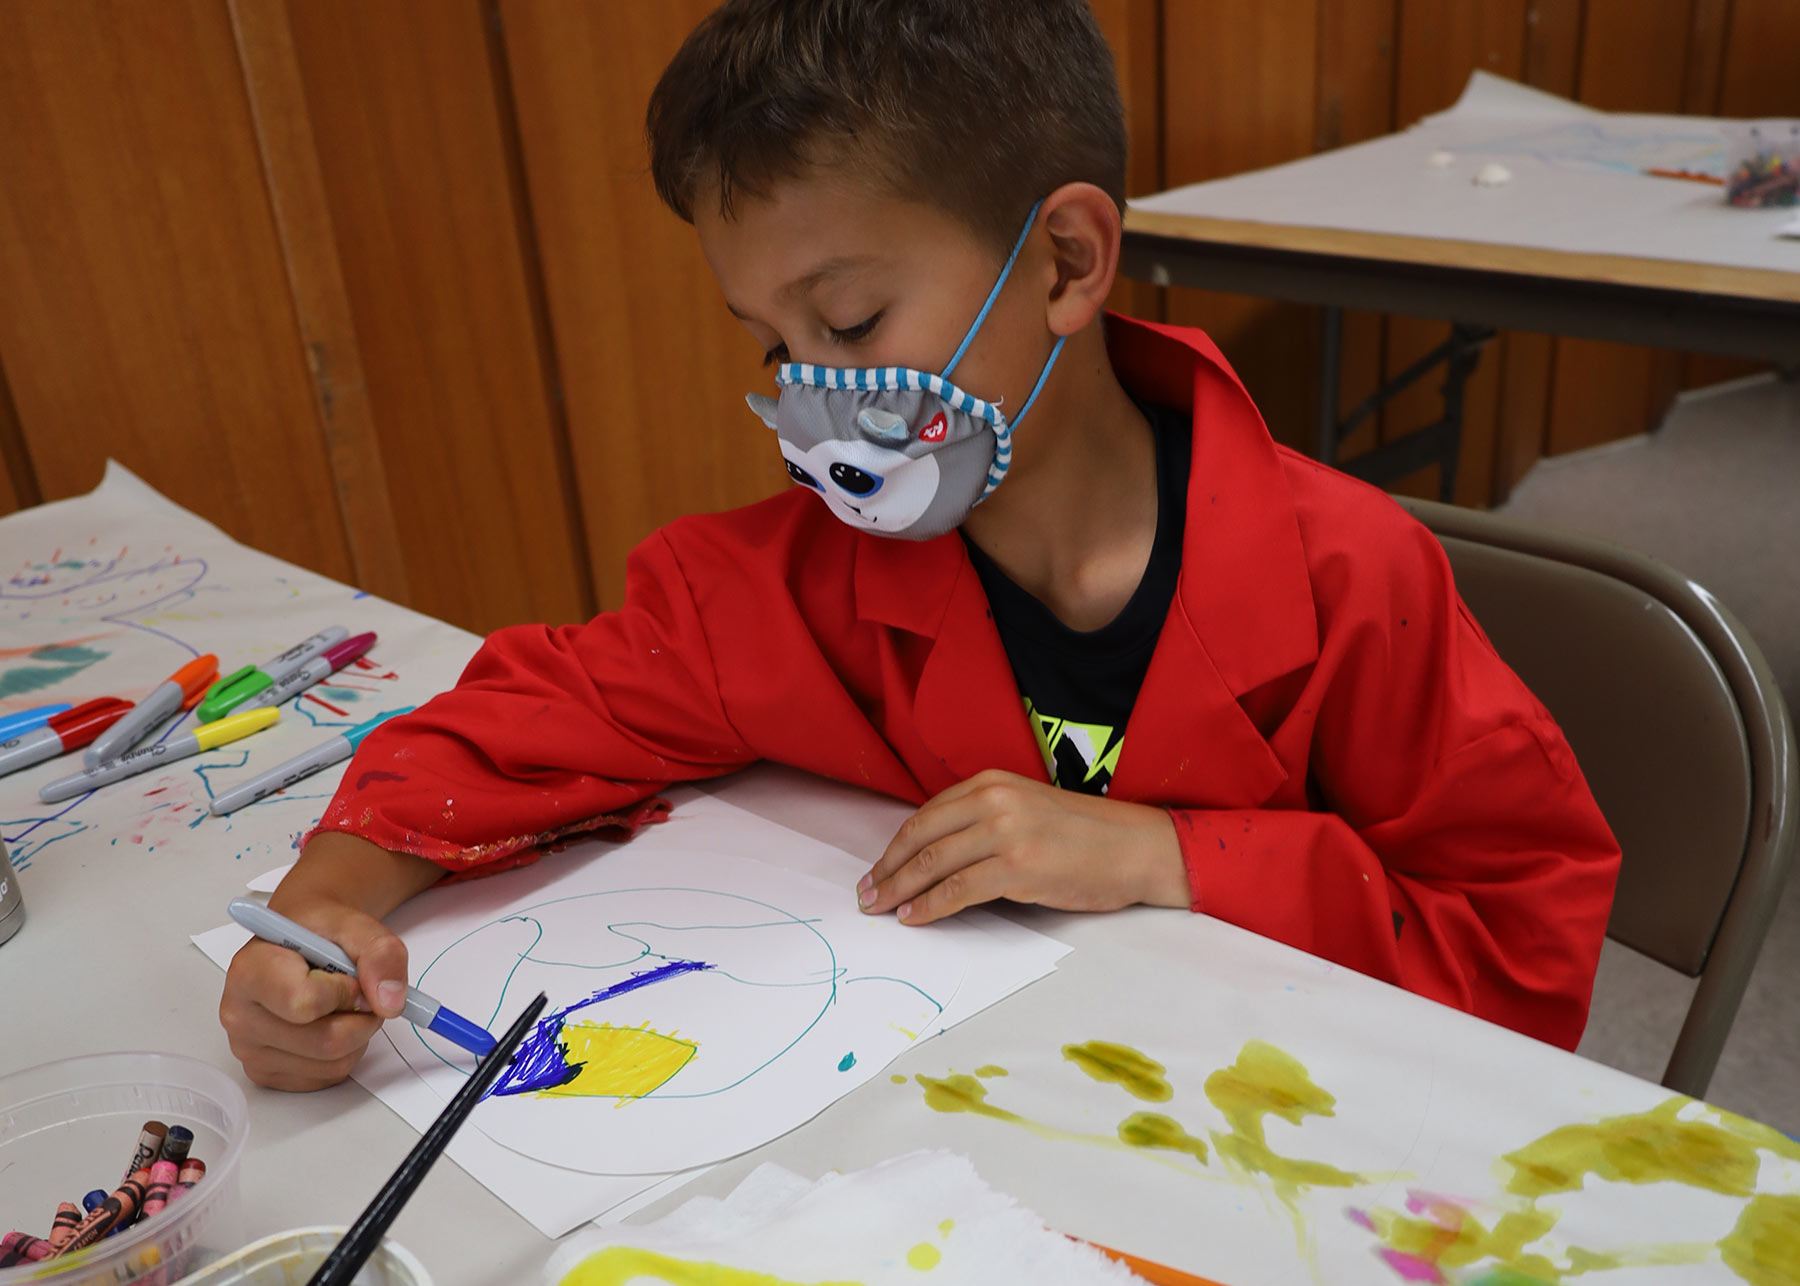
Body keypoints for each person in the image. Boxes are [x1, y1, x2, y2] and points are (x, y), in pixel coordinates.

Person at [220, 0, 1620, 1092]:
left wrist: (1170, 858)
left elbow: (1522, 941)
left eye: (848, 324)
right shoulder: (791, 576)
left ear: (1067, 262)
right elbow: (521, 724)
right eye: (772, 345)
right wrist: (328, 904)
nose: (806, 397)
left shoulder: (1351, 579)